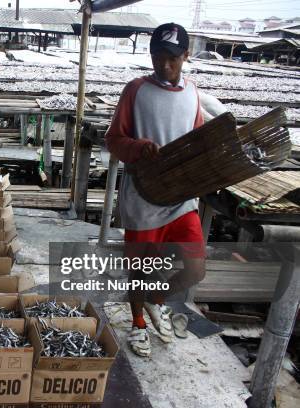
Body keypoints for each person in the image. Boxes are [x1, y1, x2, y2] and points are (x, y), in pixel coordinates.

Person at [105, 23, 206, 357]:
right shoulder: (135, 90)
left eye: (173, 59)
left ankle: (156, 300)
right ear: (150, 56)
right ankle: (137, 323)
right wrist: (138, 147)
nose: (165, 66)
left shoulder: (193, 95)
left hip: (181, 200)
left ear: (186, 56)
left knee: (194, 267)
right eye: (158, 58)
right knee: (141, 268)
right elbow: (113, 140)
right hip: (143, 198)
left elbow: (199, 142)